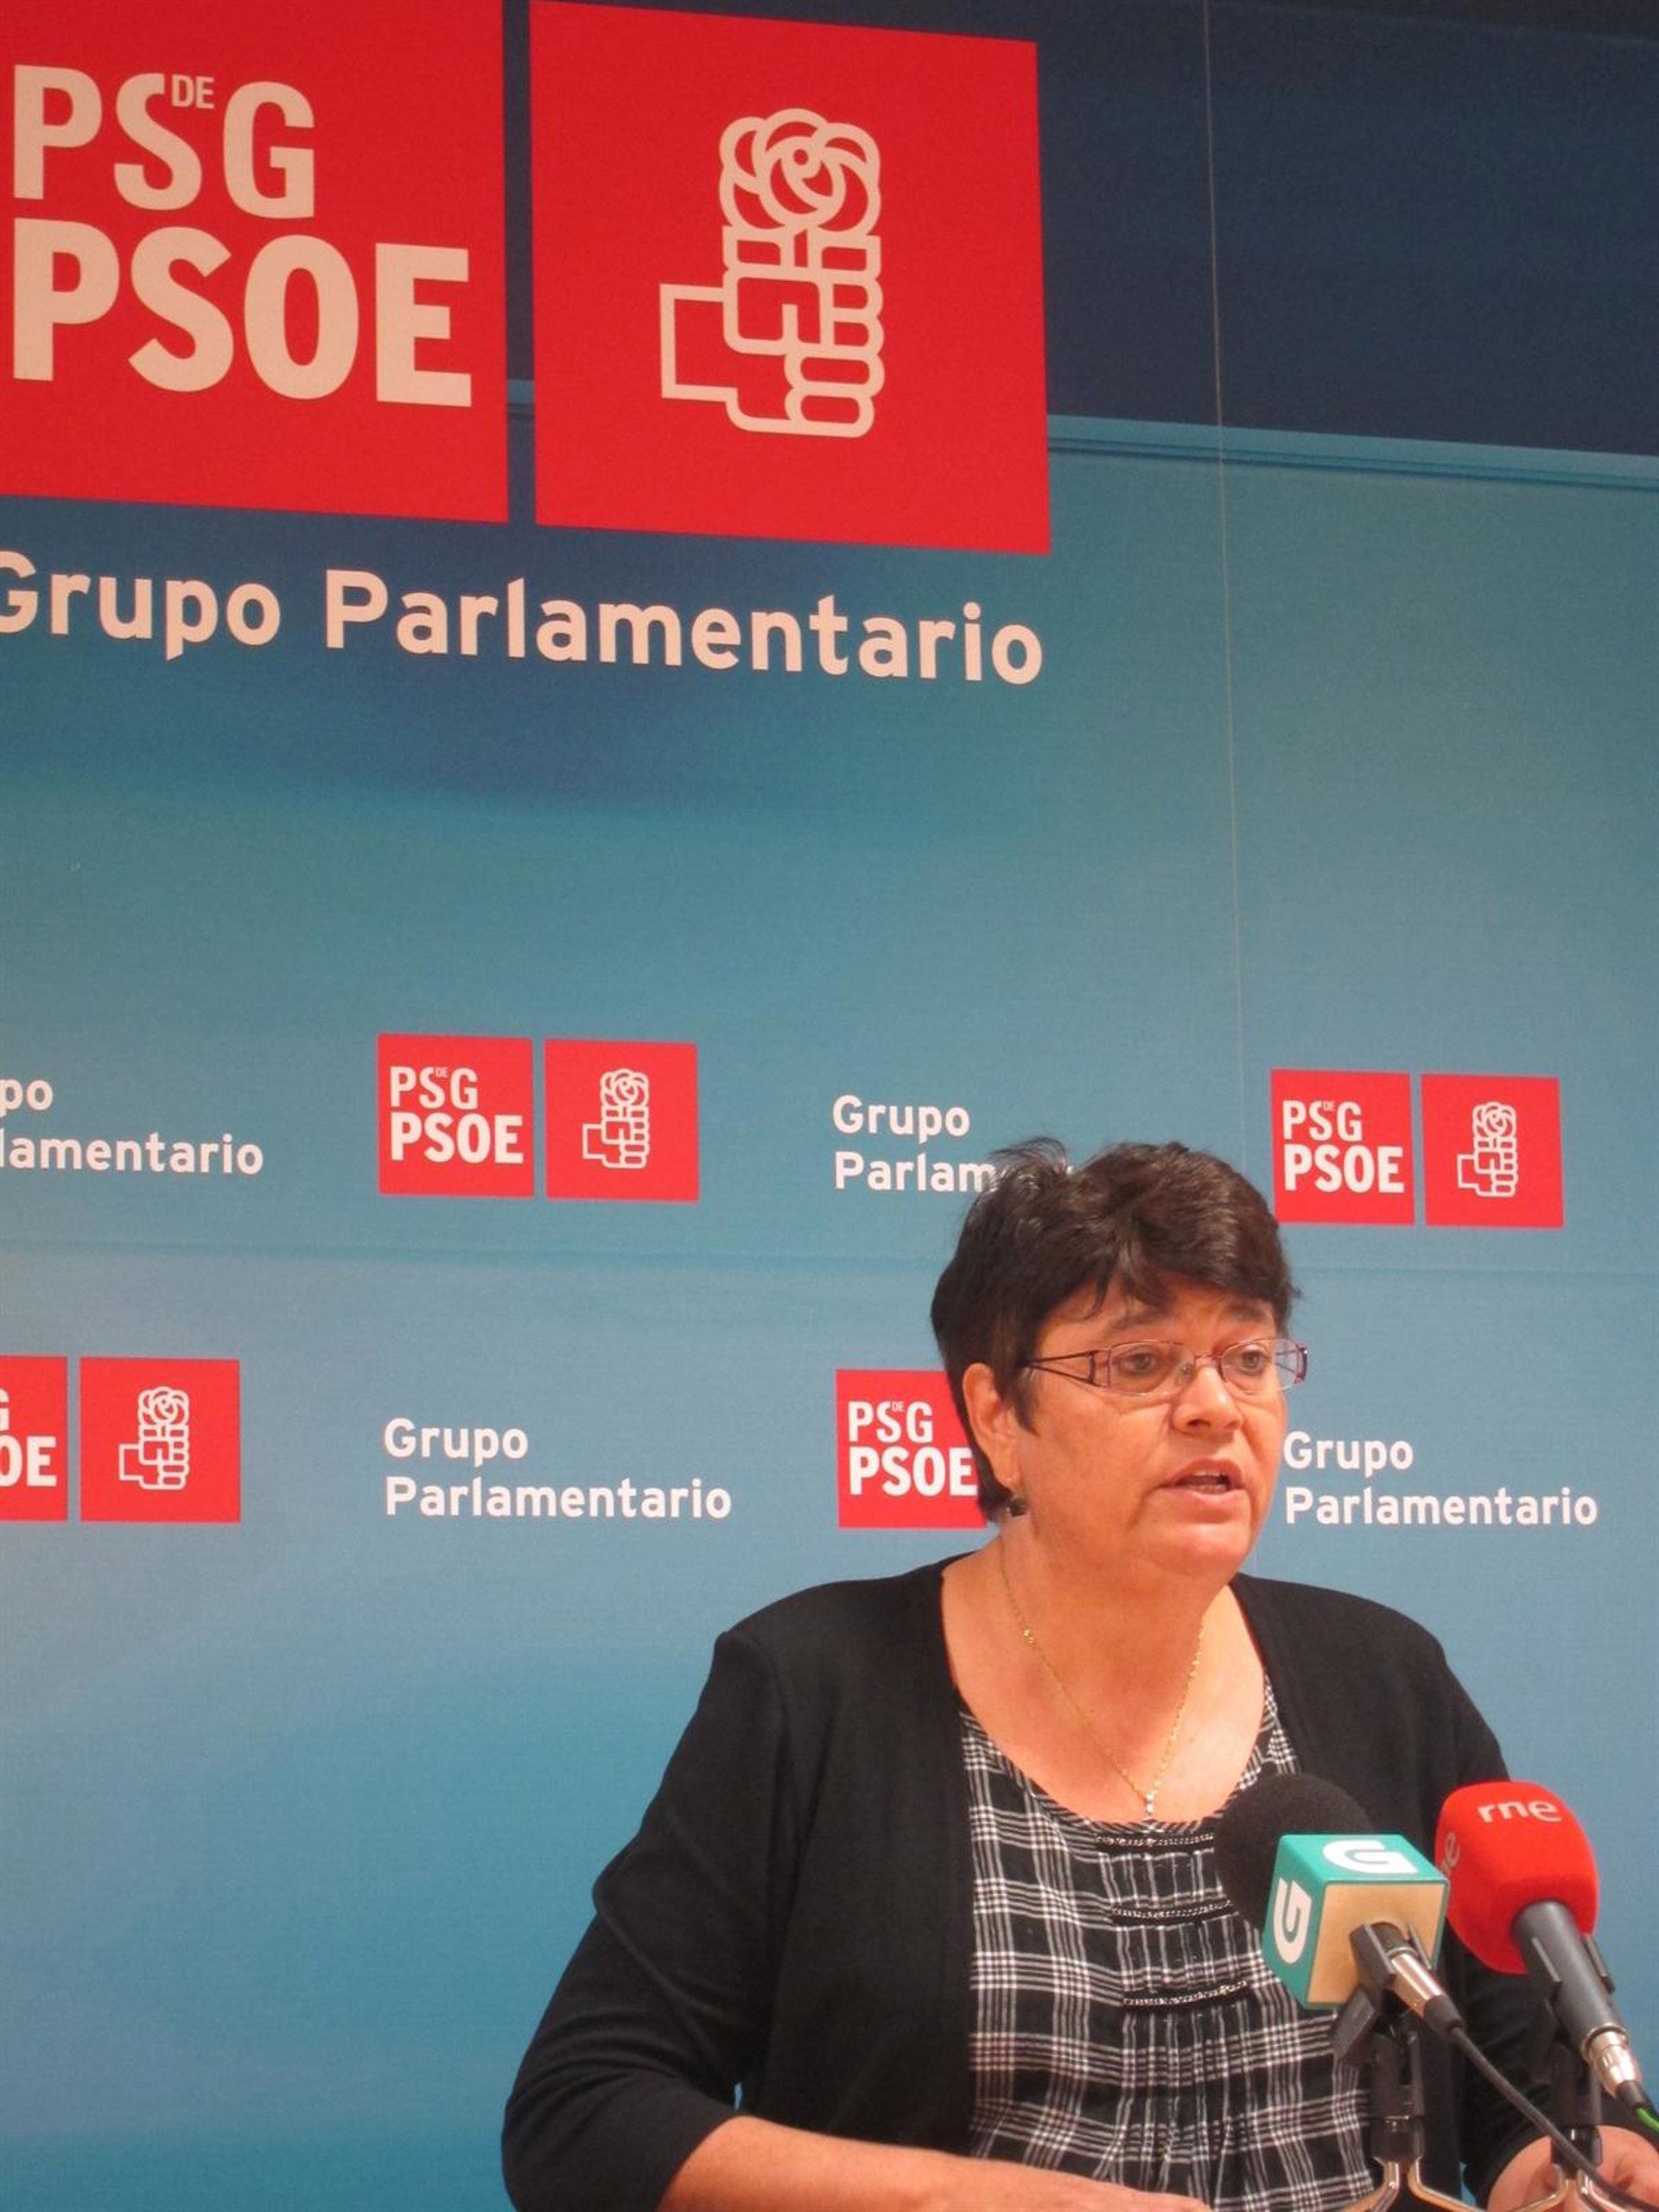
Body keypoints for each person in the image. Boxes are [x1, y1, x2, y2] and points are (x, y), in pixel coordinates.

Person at [503, 1140, 1659, 2212]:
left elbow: (1523, 2093)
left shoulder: (1386, 1679)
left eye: (1248, 1357)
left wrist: (1571, 2175)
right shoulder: (813, 1690)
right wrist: (973, 2199)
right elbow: (584, 2112)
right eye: (1140, 1362)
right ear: (997, 1417)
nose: (1214, 1407)